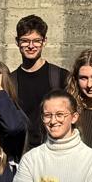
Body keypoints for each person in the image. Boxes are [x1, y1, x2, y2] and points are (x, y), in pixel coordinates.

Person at [12, 14, 69, 147]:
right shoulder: (10, 81)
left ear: (44, 41)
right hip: (22, 151)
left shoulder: (61, 77)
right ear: (17, 42)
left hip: (55, 148)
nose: (31, 46)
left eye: (36, 40)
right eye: (25, 40)